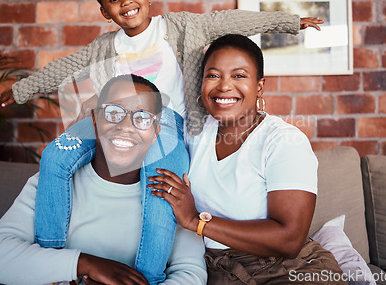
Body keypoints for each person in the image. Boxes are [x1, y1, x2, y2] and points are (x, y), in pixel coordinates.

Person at [0, 0, 324, 284]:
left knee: (160, 189)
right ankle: (51, 255)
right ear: (104, 11)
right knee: (55, 154)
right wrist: (20, 90)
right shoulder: (102, 47)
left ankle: (148, 276)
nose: (125, 1)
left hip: (165, 122)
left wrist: (289, 22)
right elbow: (63, 68)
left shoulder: (179, 28)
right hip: (115, 116)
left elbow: (230, 20)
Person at [148, 34, 347, 284]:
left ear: (259, 86)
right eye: (213, 75)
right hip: (213, 267)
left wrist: (195, 221)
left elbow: (289, 239)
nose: (224, 86)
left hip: (285, 269)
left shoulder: (283, 141)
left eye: (239, 75)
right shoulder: (193, 132)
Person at [0, 74, 207, 285]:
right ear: (95, 120)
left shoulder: (170, 195)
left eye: (143, 118)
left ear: (156, 131)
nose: (126, 126)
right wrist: (87, 264)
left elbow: (191, 273)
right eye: (113, 113)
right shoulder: (52, 183)